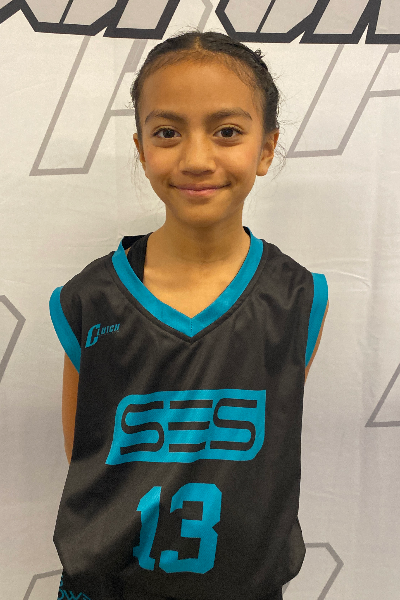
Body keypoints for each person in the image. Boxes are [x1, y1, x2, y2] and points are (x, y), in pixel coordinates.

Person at [50, 28, 328, 600]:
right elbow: (87, 458)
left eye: (227, 131)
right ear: (141, 148)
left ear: (267, 148)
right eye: (168, 132)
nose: (197, 159)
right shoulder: (89, 300)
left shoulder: (300, 297)